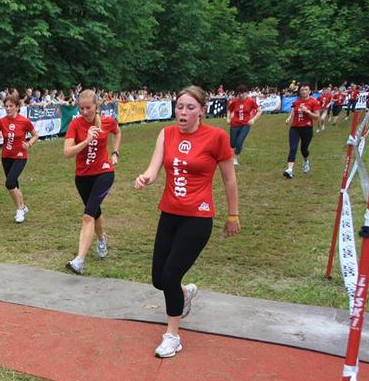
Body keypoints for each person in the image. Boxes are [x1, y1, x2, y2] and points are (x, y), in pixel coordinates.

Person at [134, 86, 239, 358]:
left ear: (202, 110)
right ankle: (184, 293)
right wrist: (145, 178)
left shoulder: (216, 137)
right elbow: (154, 167)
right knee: (159, 279)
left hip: (198, 217)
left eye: (190, 107)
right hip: (169, 214)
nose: (183, 112)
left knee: (170, 276)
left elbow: (229, 179)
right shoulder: (166, 133)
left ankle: (172, 336)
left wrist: (233, 215)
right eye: (180, 106)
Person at [62, 89, 121, 274]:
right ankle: (102, 238)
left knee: (88, 215)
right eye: (81, 108)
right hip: (82, 176)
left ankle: (79, 261)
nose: (84, 112)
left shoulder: (107, 121)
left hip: (104, 172)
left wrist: (115, 152)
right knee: (94, 211)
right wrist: (86, 141)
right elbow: (67, 153)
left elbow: (117, 132)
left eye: (88, 108)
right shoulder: (75, 124)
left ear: (96, 106)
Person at [0, 95, 38, 223]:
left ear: (17, 107)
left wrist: (29, 144)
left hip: (20, 156)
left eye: (11, 106)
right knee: (14, 185)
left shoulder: (24, 121)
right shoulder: (2, 121)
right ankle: (22, 206)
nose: (8, 108)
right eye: (6, 106)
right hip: (6, 157)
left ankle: (19, 210)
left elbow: (35, 135)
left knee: (10, 183)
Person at [283, 84, 320, 178]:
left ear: (310, 91)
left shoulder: (314, 102)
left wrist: (307, 111)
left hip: (307, 128)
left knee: (304, 149)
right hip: (295, 128)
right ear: (299, 91)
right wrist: (289, 118)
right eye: (302, 90)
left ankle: (306, 160)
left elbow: (317, 117)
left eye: (306, 89)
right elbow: (293, 110)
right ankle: (289, 170)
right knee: (293, 148)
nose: (304, 91)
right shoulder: (296, 102)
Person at [226, 85, 261, 166]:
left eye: (242, 93)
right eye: (239, 93)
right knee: (232, 143)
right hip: (234, 124)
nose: (241, 95)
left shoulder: (251, 101)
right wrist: (228, 118)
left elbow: (259, 110)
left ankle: (235, 159)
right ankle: (230, 156)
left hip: (245, 124)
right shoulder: (235, 102)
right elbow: (229, 109)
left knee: (239, 141)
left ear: (246, 93)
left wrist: (253, 119)